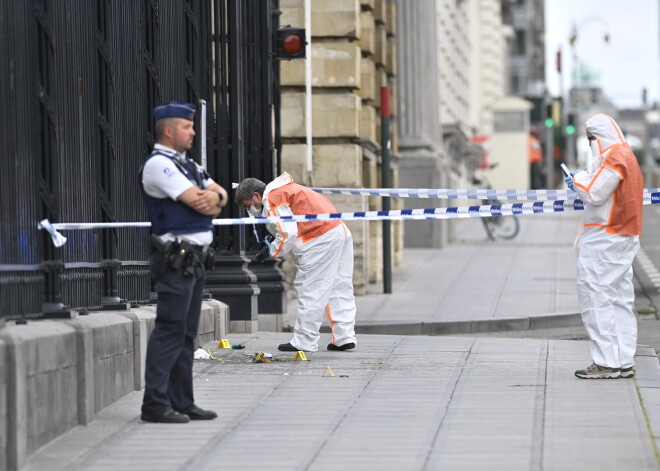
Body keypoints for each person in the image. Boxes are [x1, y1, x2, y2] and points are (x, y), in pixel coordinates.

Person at [139, 101, 228, 423]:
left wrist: (216, 198)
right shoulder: (159, 165)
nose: (193, 132)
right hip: (176, 260)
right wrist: (212, 200)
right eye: (187, 127)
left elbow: (219, 197)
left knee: (187, 334)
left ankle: (182, 401)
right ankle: (155, 405)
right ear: (168, 130)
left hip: (195, 261)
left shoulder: (187, 164)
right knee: (170, 330)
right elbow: (197, 201)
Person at [235, 172, 357, 352]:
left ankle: (305, 341)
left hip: (318, 240)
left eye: (248, 205)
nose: (250, 210)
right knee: (340, 287)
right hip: (338, 230)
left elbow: (288, 233)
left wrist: (272, 249)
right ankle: (344, 337)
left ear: (256, 196)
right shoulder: (286, 190)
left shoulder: (274, 197)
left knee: (311, 289)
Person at [564, 113, 644, 379]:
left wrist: (576, 180)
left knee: (595, 297)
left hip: (605, 239)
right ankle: (622, 361)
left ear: (599, 136)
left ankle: (606, 363)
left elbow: (594, 193)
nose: (589, 145)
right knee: (620, 299)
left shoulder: (614, 157)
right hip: (621, 236)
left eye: (590, 139)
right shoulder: (626, 155)